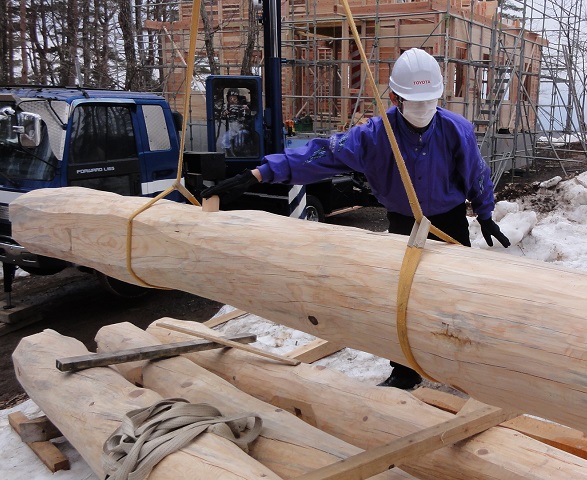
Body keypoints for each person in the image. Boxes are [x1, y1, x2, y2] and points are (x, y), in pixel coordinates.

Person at [202, 48, 510, 389]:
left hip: (448, 223)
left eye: (429, 100)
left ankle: (460, 367)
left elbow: (477, 175)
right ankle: (405, 371)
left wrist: (485, 215)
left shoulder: (456, 130)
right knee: (400, 302)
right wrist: (258, 174)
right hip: (404, 226)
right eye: (413, 100)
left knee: (454, 298)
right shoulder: (375, 136)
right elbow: (318, 154)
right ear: (395, 97)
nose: (423, 108)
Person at [218, 88, 254, 157]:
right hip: (232, 129)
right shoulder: (226, 107)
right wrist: (224, 114)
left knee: (239, 141)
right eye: (230, 98)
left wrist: (247, 110)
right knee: (224, 141)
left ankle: (242, 156)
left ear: (238, 98)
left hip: (243, 128)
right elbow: (221, 117)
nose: (232, 101)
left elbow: (252, 116)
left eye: (234, 99)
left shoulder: (245, 106)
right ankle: (230, 157)